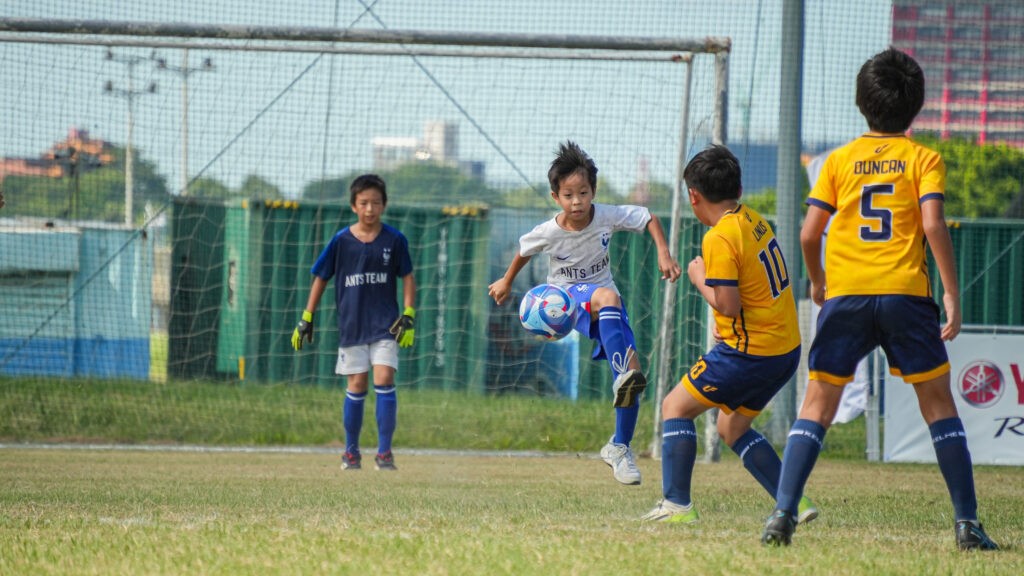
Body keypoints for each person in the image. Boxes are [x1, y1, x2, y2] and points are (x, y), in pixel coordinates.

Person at [762, 48, 998, 551]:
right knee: (938, 406)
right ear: (916, 106)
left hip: (845, 297)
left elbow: (808, 234)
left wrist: (818, 280)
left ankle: (782, 514)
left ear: (860, 101)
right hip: (904, 296)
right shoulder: (923, 158)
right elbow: (932, 223)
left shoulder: (838, 161)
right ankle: (966, 525)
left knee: (817, 405)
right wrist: (951, 293)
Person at [488, 141, 682, 486]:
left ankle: (619, 447)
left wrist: (664, 253)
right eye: (568, 195)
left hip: (605, 304)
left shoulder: (605, 215)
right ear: (555, 197)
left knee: (633, 378)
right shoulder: (549, 231)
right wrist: (505, 280)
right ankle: (619, 374)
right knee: (609, 300)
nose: (576, 201)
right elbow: (523, 249)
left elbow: (648, 217)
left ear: (593, 190)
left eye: (583, 192)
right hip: (562, 300)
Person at [641, 145, 816, 525]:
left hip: (749, 352)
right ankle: (793, 503)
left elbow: (729, 304)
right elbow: (758, 292)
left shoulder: (719, 237)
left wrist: (697, 278)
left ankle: (677, 505)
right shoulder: (754, 220)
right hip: (784, 349)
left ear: (693, 195)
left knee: (675, 408)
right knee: (731, 426)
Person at [292, 173, 416, 472]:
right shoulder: (341, 241)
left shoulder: (394, 239)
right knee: (357, 384)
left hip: (386, 326)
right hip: (352, 326)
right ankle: (351, 453)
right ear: (353, 206)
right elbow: (321, 277)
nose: (370, 208)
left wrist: (409, 314)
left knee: (384, 379)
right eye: (364, 203)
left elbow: (408, 277)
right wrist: (307, 317)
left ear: (384, 205)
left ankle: (385, 454)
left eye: (375, 202)